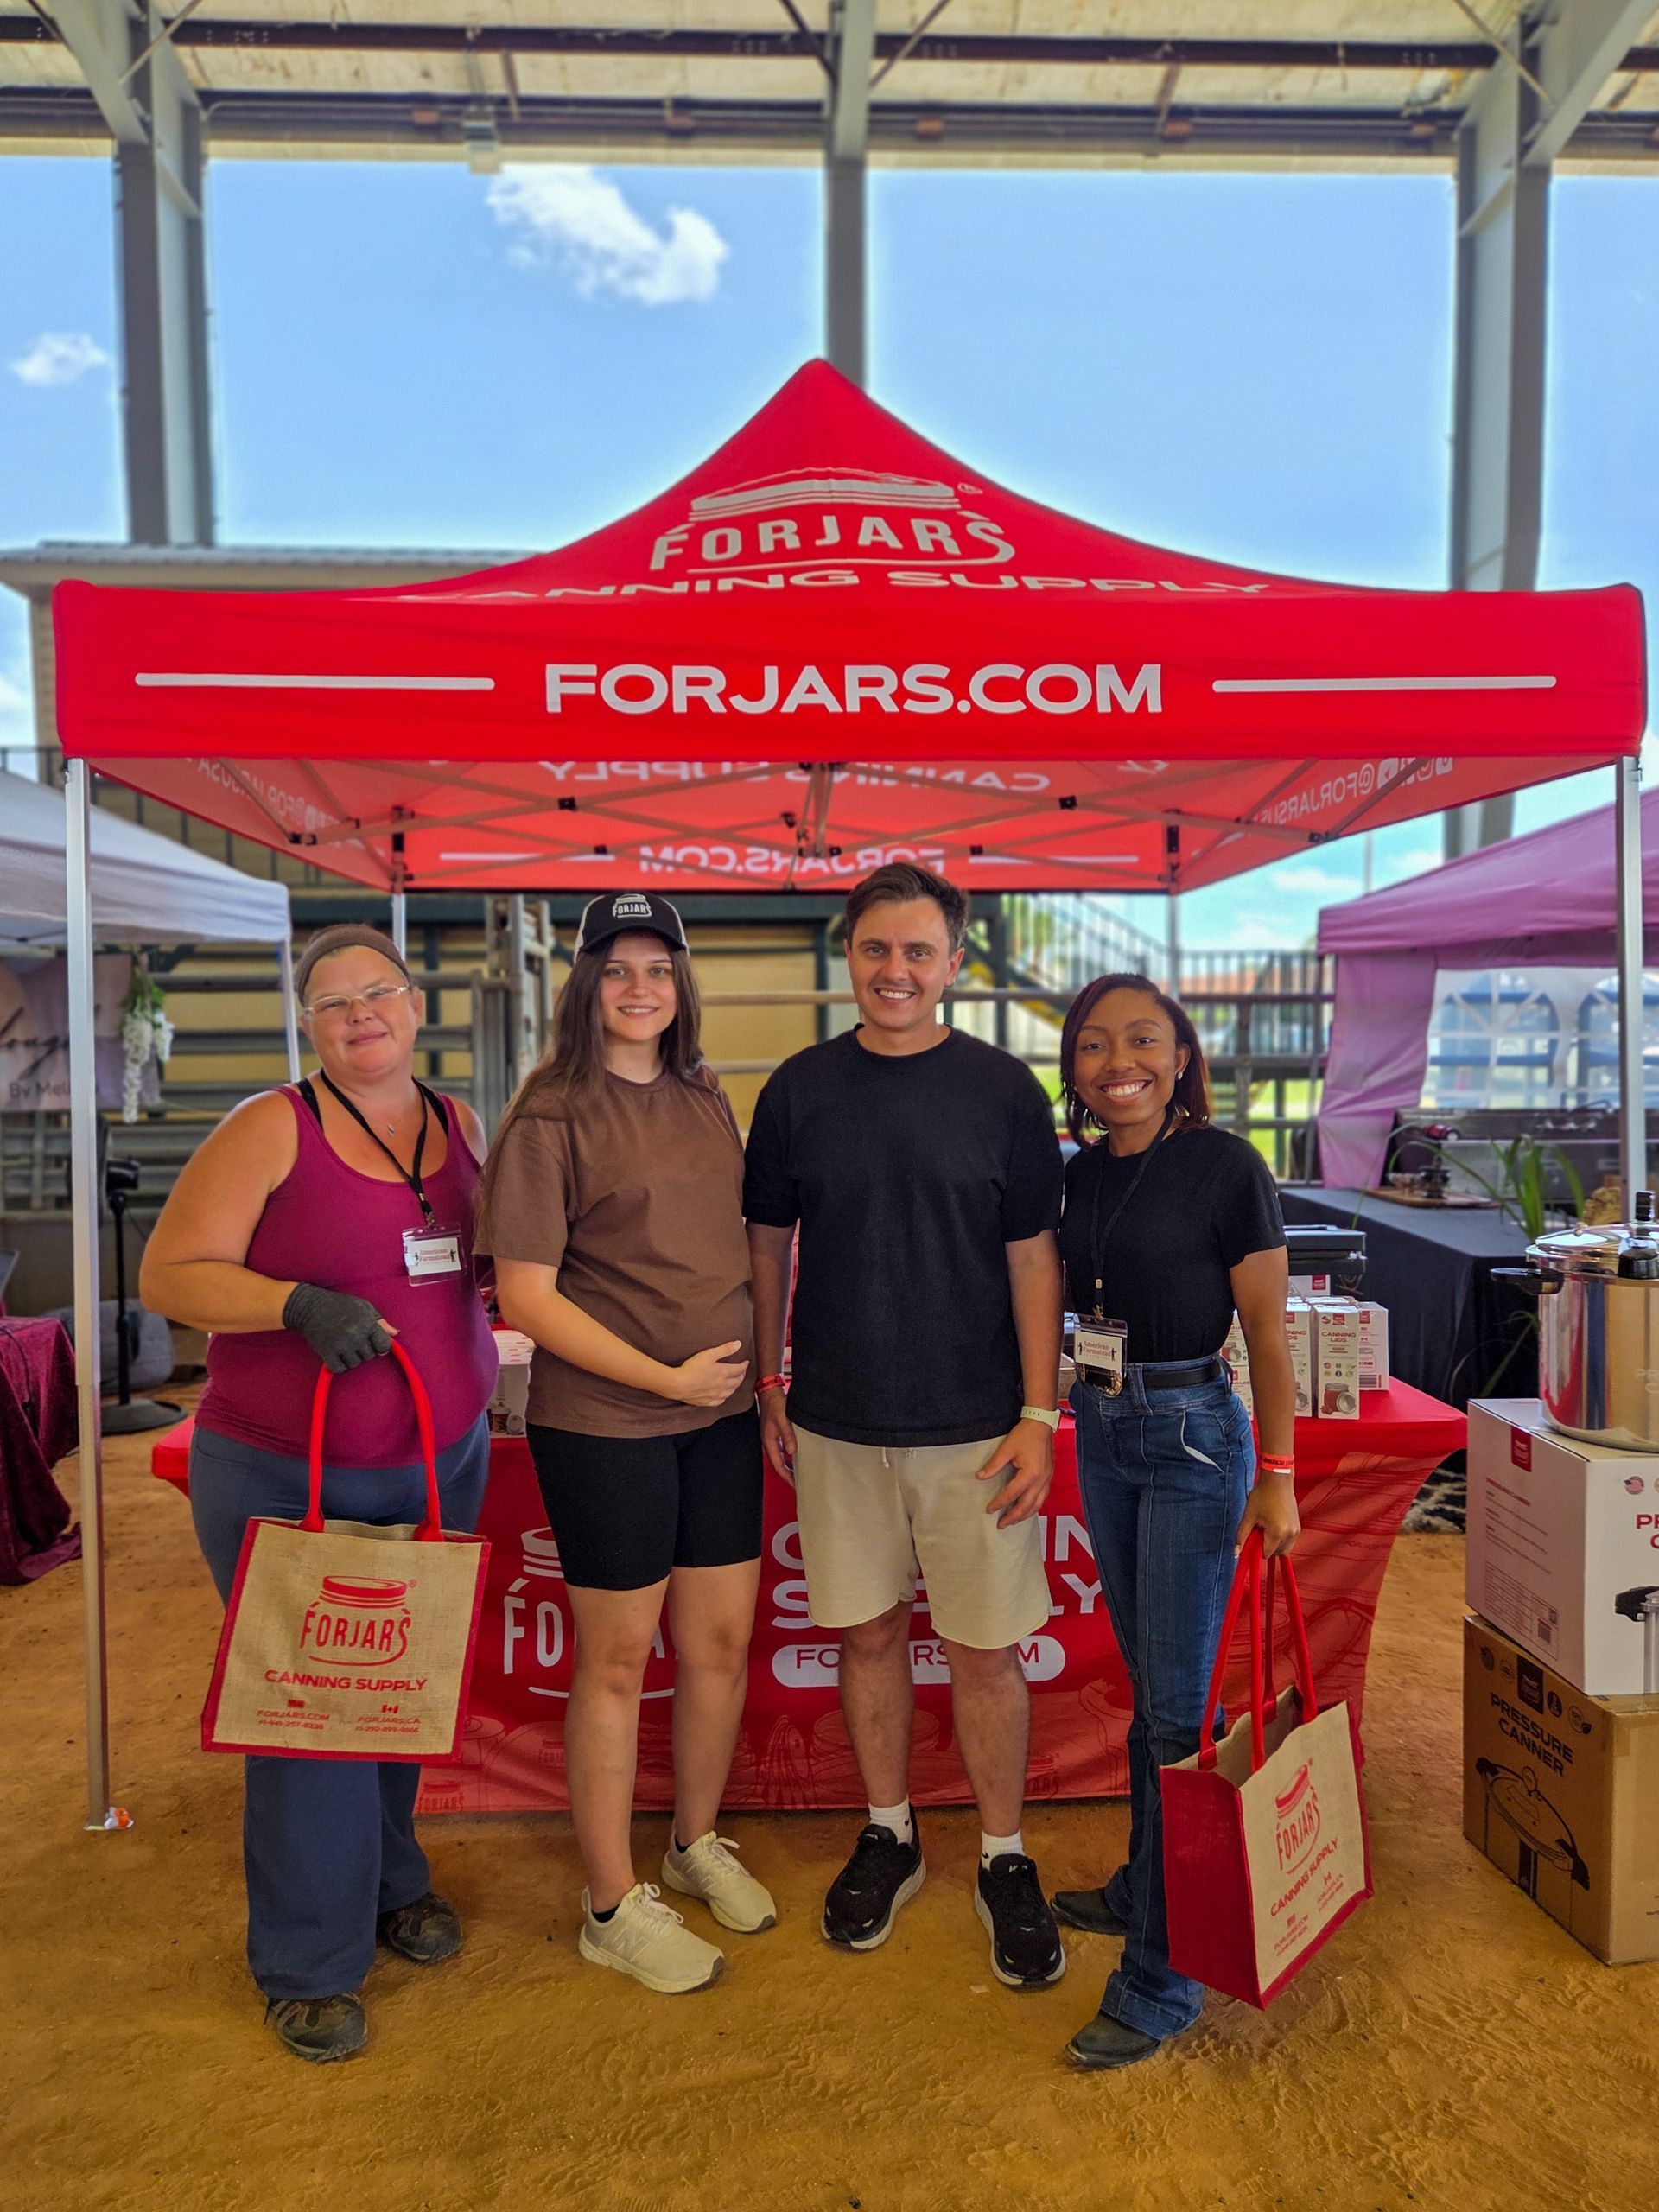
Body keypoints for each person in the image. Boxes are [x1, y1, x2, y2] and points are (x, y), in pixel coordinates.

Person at [139, 924, 497, 2064]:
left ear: (415, 1005)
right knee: (310, 1719)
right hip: (289, 1468)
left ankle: (392, 1886)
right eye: (331, 1002)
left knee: (395, 1692)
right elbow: (169, 1274)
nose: (359, 1016)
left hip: (441, 1454)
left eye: (377, 993)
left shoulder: (458, 1126)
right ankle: (307, 1960)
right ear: (309, 1024)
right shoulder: (268, 1128)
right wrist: (295, 1303)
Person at [744, 862, 1067, 1989]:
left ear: (955, 966)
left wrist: (1038, 1410)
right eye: (877, 950)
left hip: (977, 1428)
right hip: (834, 1422)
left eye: (919, 952)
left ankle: (1005, 1854)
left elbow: (1036, 1260)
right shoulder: (796, 1091)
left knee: (985, 1651)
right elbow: (767, 1248)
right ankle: (891, 1830)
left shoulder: (1006, 1094)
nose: (896, 971)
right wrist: (772, 1384)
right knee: (868, 1637)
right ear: (849, 955)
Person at [477, 890, 772, 1997]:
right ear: (586, 984)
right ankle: (608, 1901)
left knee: (721, 1643)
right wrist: (664, 1378)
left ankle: (693, 1841)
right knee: (614, 1660)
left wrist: (738, 1378)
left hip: (723, 1416)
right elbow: (527, 1296)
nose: (640, 987)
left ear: (681, 985)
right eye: (618, 969)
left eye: (659, 968)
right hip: (608, 1422)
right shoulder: (550, 1113)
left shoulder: (706, 1093)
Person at [1049, 972, 1299, 2071]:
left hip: (1197, 1434)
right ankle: (1142, 1883)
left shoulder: (1226, 1167)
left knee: (1174, 1719)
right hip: (1103, 1431)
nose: (1119, 1063)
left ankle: (1162, 1975)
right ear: (1075, 1070)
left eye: (1143, 1040)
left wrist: (1278, 1472)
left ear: (1183, 1052)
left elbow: (1271, 1334)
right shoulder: (1077, 1177)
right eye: (1096, 1046)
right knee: (1156, 1695)